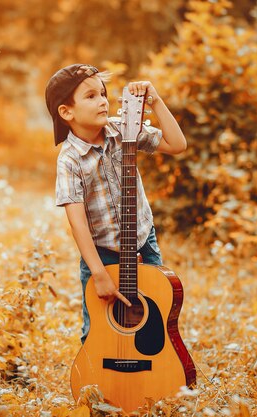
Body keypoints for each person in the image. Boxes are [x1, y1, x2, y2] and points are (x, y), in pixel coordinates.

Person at [45, 64, 187, 343]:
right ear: (66, 112)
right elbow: (77, 222)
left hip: (142, 244)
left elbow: (177, 144)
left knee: (153, 323)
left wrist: (155, 101)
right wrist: (98, 273)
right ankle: (101, 383)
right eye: (90, 96)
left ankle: (150, 378)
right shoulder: (70, 159)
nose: (102, 101)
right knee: (98, 332)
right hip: (103, 255)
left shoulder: (124, 130)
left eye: (103, 93)